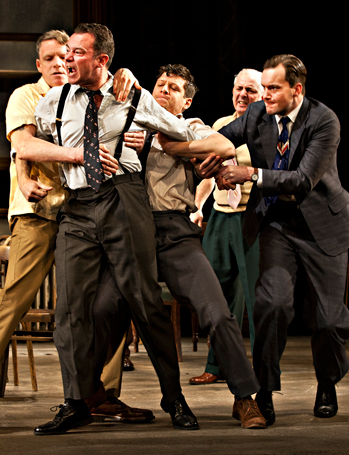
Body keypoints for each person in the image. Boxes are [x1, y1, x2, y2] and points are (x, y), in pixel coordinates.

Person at [0, 30, 151, 429]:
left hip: (86, 212)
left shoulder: (91, 93)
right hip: (38, 211)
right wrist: (31, 172)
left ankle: (100, 393)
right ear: (39, 64)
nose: (60, 63)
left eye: (66, 56)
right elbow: (23, 144)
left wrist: (126, 76)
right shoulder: (27, 96)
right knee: (14, 296)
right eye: (51, 58)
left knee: (106, 300)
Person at [23, 23, 213, 435]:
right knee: (69, 310)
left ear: (102, 60)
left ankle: (173, 397)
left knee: (144, 300)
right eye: (66, 53)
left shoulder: (132, 95)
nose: (67, 59)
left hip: (122, 199)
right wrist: (27, 175)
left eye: (76, 53)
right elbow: (26, 144)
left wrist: (213, 150)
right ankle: (76, 401)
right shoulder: (54, 100)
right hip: (77, 206)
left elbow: (181, 130)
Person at [122, 63, 266, 429]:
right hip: (129, 233)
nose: (164, 90)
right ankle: (170, 400)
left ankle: (244, 397)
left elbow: (223, 145)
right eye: (160, 84)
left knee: (217, 312)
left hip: (173, 231)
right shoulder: (129, 126)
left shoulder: (191, 127)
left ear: (186, 102)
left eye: (174, 88)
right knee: (117, 312)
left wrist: (168, 146)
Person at [216, 54, 349, 425]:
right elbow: (220, 138)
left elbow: (302, 179)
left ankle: (327, 382)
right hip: (277, 222)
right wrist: (201, 151)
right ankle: (264, 390)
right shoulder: (257, 114)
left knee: (328, 320)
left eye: (273, 88)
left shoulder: (323, 120)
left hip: (323, 226)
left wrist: (250, 173)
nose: (265, 95)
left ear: (297, 89)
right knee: (272, 304)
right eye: (263, 87)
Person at [188, 69, 263, 385]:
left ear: (263, 95)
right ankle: (216, 364)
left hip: (252, 218)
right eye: (238, 88)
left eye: (251, 90)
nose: (242, 94)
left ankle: (262, 367)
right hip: (220, 217)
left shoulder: (268, 129)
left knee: (257, 298)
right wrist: (197, 206)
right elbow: (208, 174)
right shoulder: (220, 126)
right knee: (215, 294)